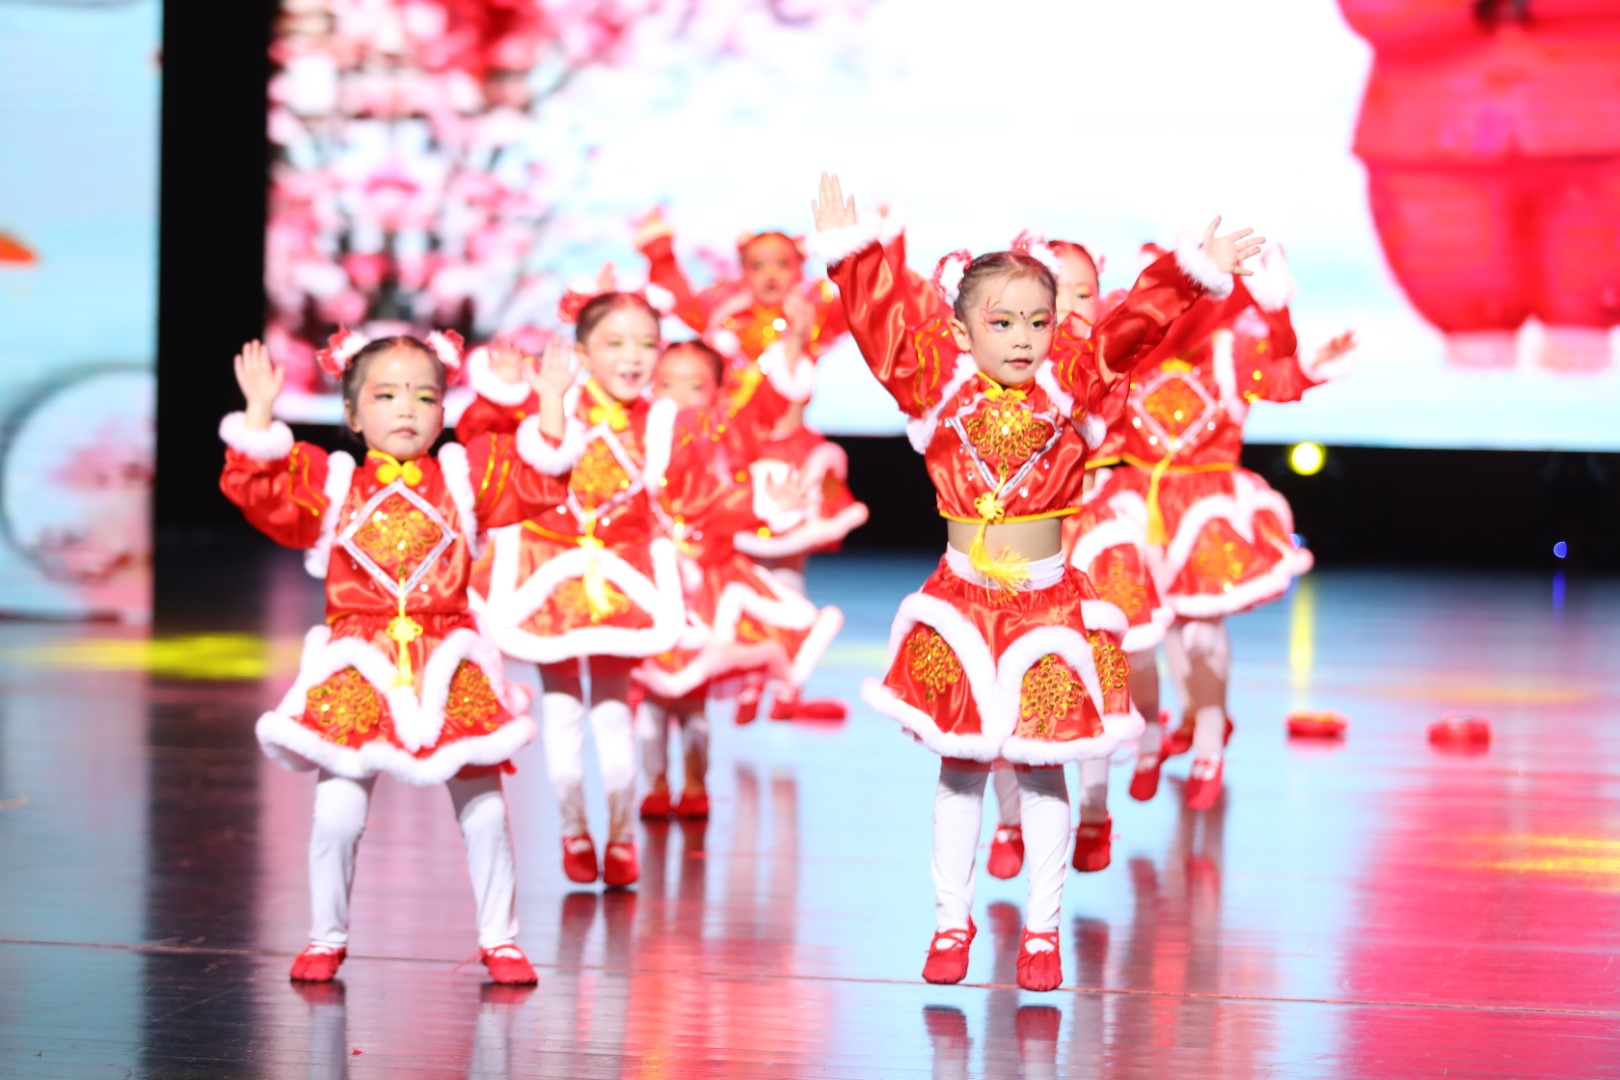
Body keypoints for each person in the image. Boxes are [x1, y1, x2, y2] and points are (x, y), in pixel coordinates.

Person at [808, 173, 1260, 991]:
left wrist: (1191, 274)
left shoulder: (1074, 381)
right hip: (962, 604)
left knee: (1046, 765)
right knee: (961, 768)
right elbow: (879, 327)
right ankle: (952, 920)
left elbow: (1133, 323)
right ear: (961, 329)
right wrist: (854, 257)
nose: (1023, 339)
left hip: (1046, 606)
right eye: (1002, 321)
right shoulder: (933, 384)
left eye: (1039, 321)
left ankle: (1043, 932)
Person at [220, 329, 579, 984]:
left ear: (443, 412)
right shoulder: (332, 485)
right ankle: (326, 935)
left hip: (450, 664)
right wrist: (261, 412)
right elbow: (261, 491)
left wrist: (551, 400)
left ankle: (500, 940)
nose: (406, 409)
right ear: (353, 414)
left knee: (486, 813)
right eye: (385, 396)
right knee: (338, 815)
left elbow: (538, 480)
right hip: (361, 667)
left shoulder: (465, 478)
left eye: (424, 396)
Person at [1082, 242, 1356, 810]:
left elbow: (1281, 379)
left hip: (1204, 509)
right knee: (1137, 635)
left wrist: (1313, 360)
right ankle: (1153, 734)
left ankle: (1208, 738)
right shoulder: (1134, 353)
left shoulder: (1232, 350)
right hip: (1134, 506)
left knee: (1200, 635)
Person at [466, 291, 714, 889]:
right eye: (615, 343)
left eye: (646, 343)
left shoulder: (664, 422)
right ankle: (573, 831)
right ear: (581, 353)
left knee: (613, 717)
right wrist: (504, 393)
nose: (633, 357)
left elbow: (694, 496)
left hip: (623, 582)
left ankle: (622, 837)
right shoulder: (552, 402)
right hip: (549, 578)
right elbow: (482, 444)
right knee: (562, 713)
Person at [635, 339, 844, 816]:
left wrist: (767, 504)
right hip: (649, 584)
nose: (679, 396)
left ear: (717, 391)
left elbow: (729, 500)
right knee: (649, 695)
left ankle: (695, 783)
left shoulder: (718, 441)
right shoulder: (638, 440)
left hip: (704, 587)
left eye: (694, 386)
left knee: (692, 697)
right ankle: (655, 781)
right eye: (666, 385)